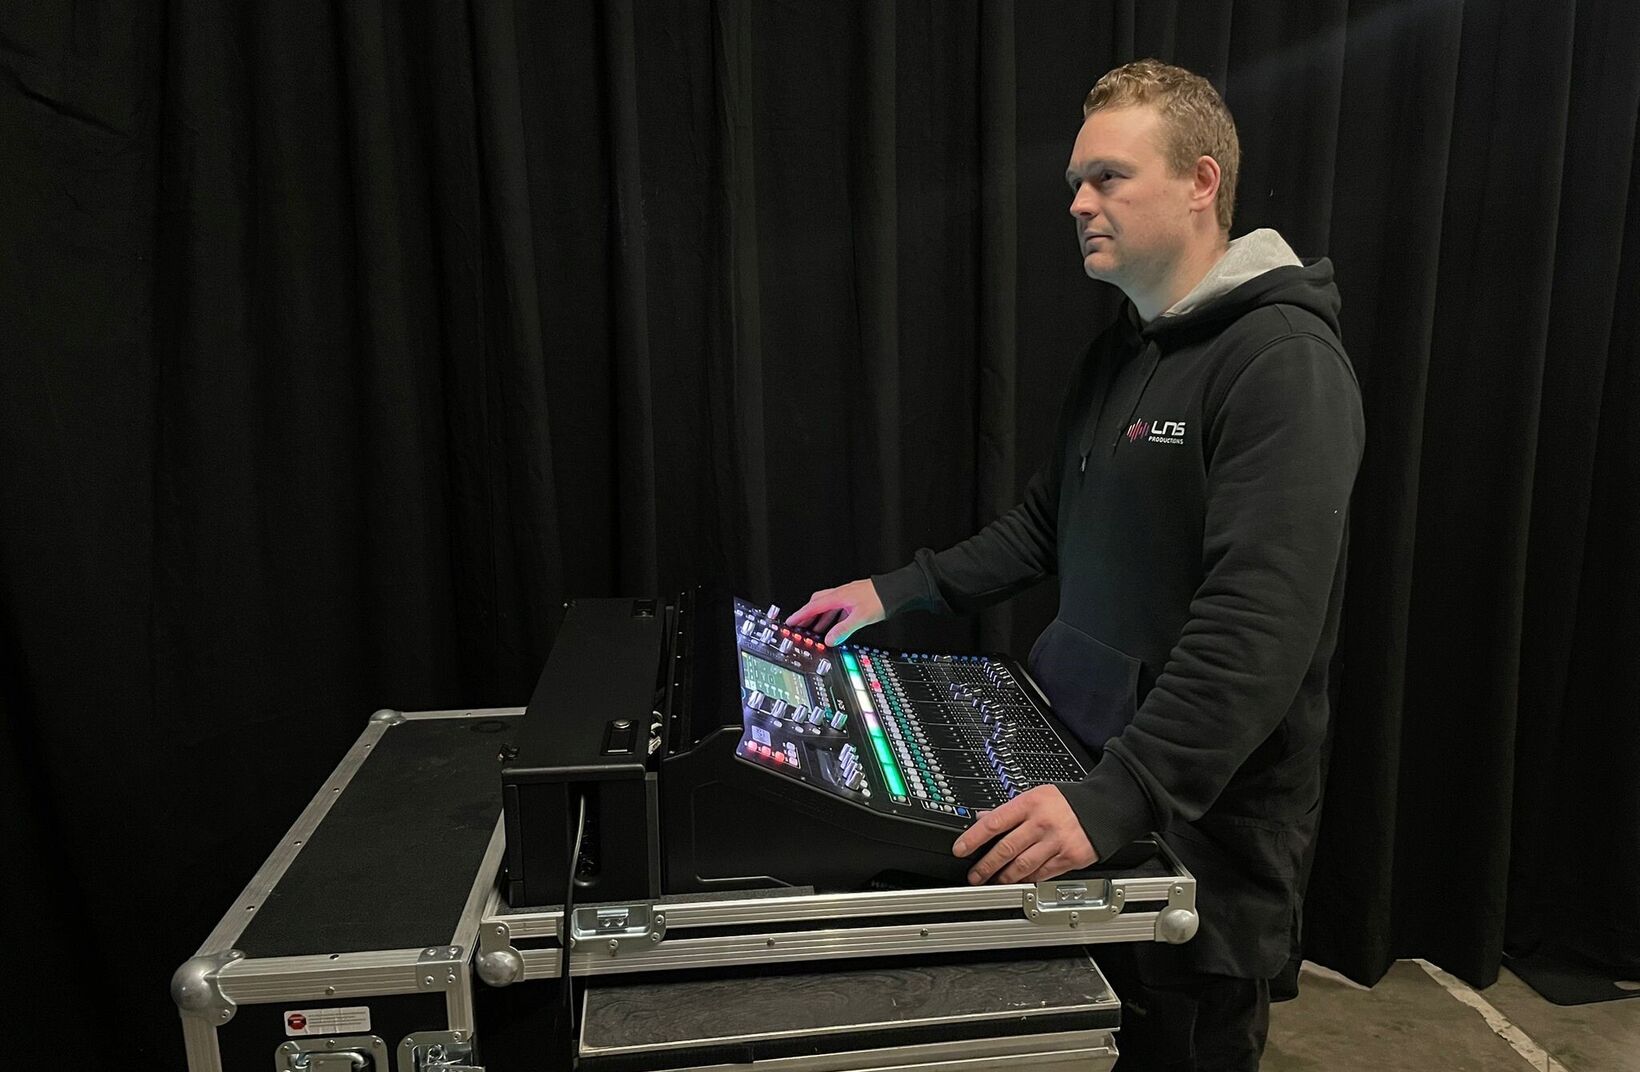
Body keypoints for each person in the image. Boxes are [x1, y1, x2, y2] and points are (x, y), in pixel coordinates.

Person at [788, 59, 1364, 1070]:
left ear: (1200, 182)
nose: (1077, 203)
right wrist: (890, 592)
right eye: (1075, 181)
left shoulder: (1282, 362)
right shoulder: (1121, 351)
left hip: (1195, 828)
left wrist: (1118, 798)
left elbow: (1257, 629)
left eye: (1107, 177)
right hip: (1083, 770)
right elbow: (1045, 526)